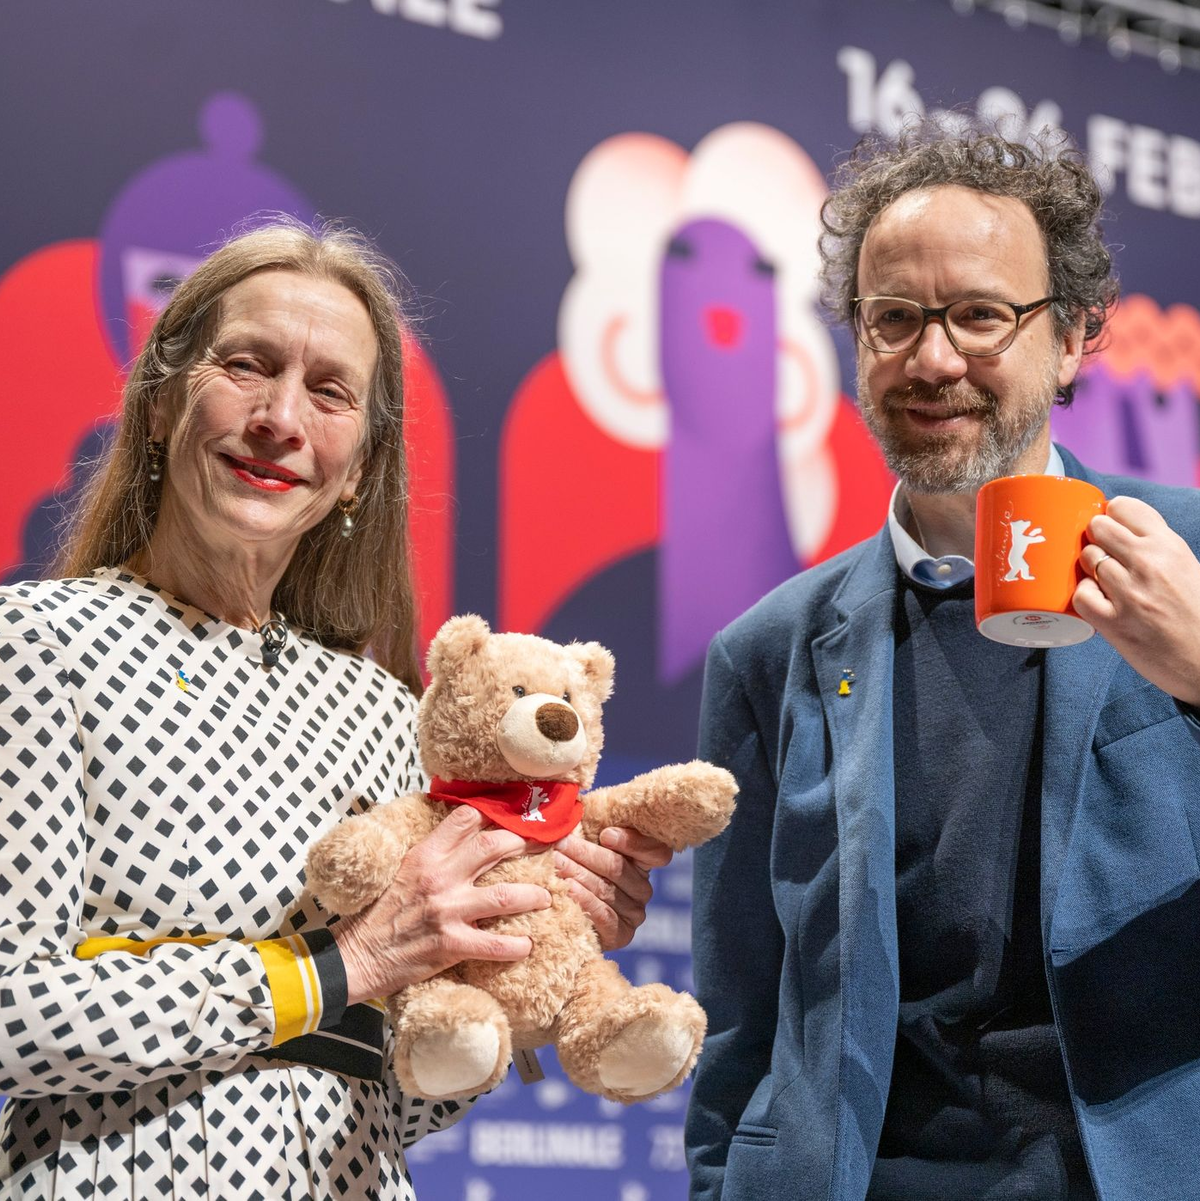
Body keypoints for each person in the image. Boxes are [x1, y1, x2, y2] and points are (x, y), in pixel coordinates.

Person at [0, 218, 670, 1200]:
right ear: (161, 404)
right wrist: (335, 965)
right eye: (247, 365)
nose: (281, 418)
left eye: (328, 391)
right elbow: (12, 1013)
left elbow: (399, 1096)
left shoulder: (385, 713)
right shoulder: (37, 644)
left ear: (357, 466)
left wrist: (525, 942)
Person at [685, 124, 1200, 1200]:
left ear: (1071, 338)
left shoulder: (1187, 556)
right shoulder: (768, 650)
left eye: (979, 315)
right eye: (895, 319)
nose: (932, 360)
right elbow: (740, 1023)